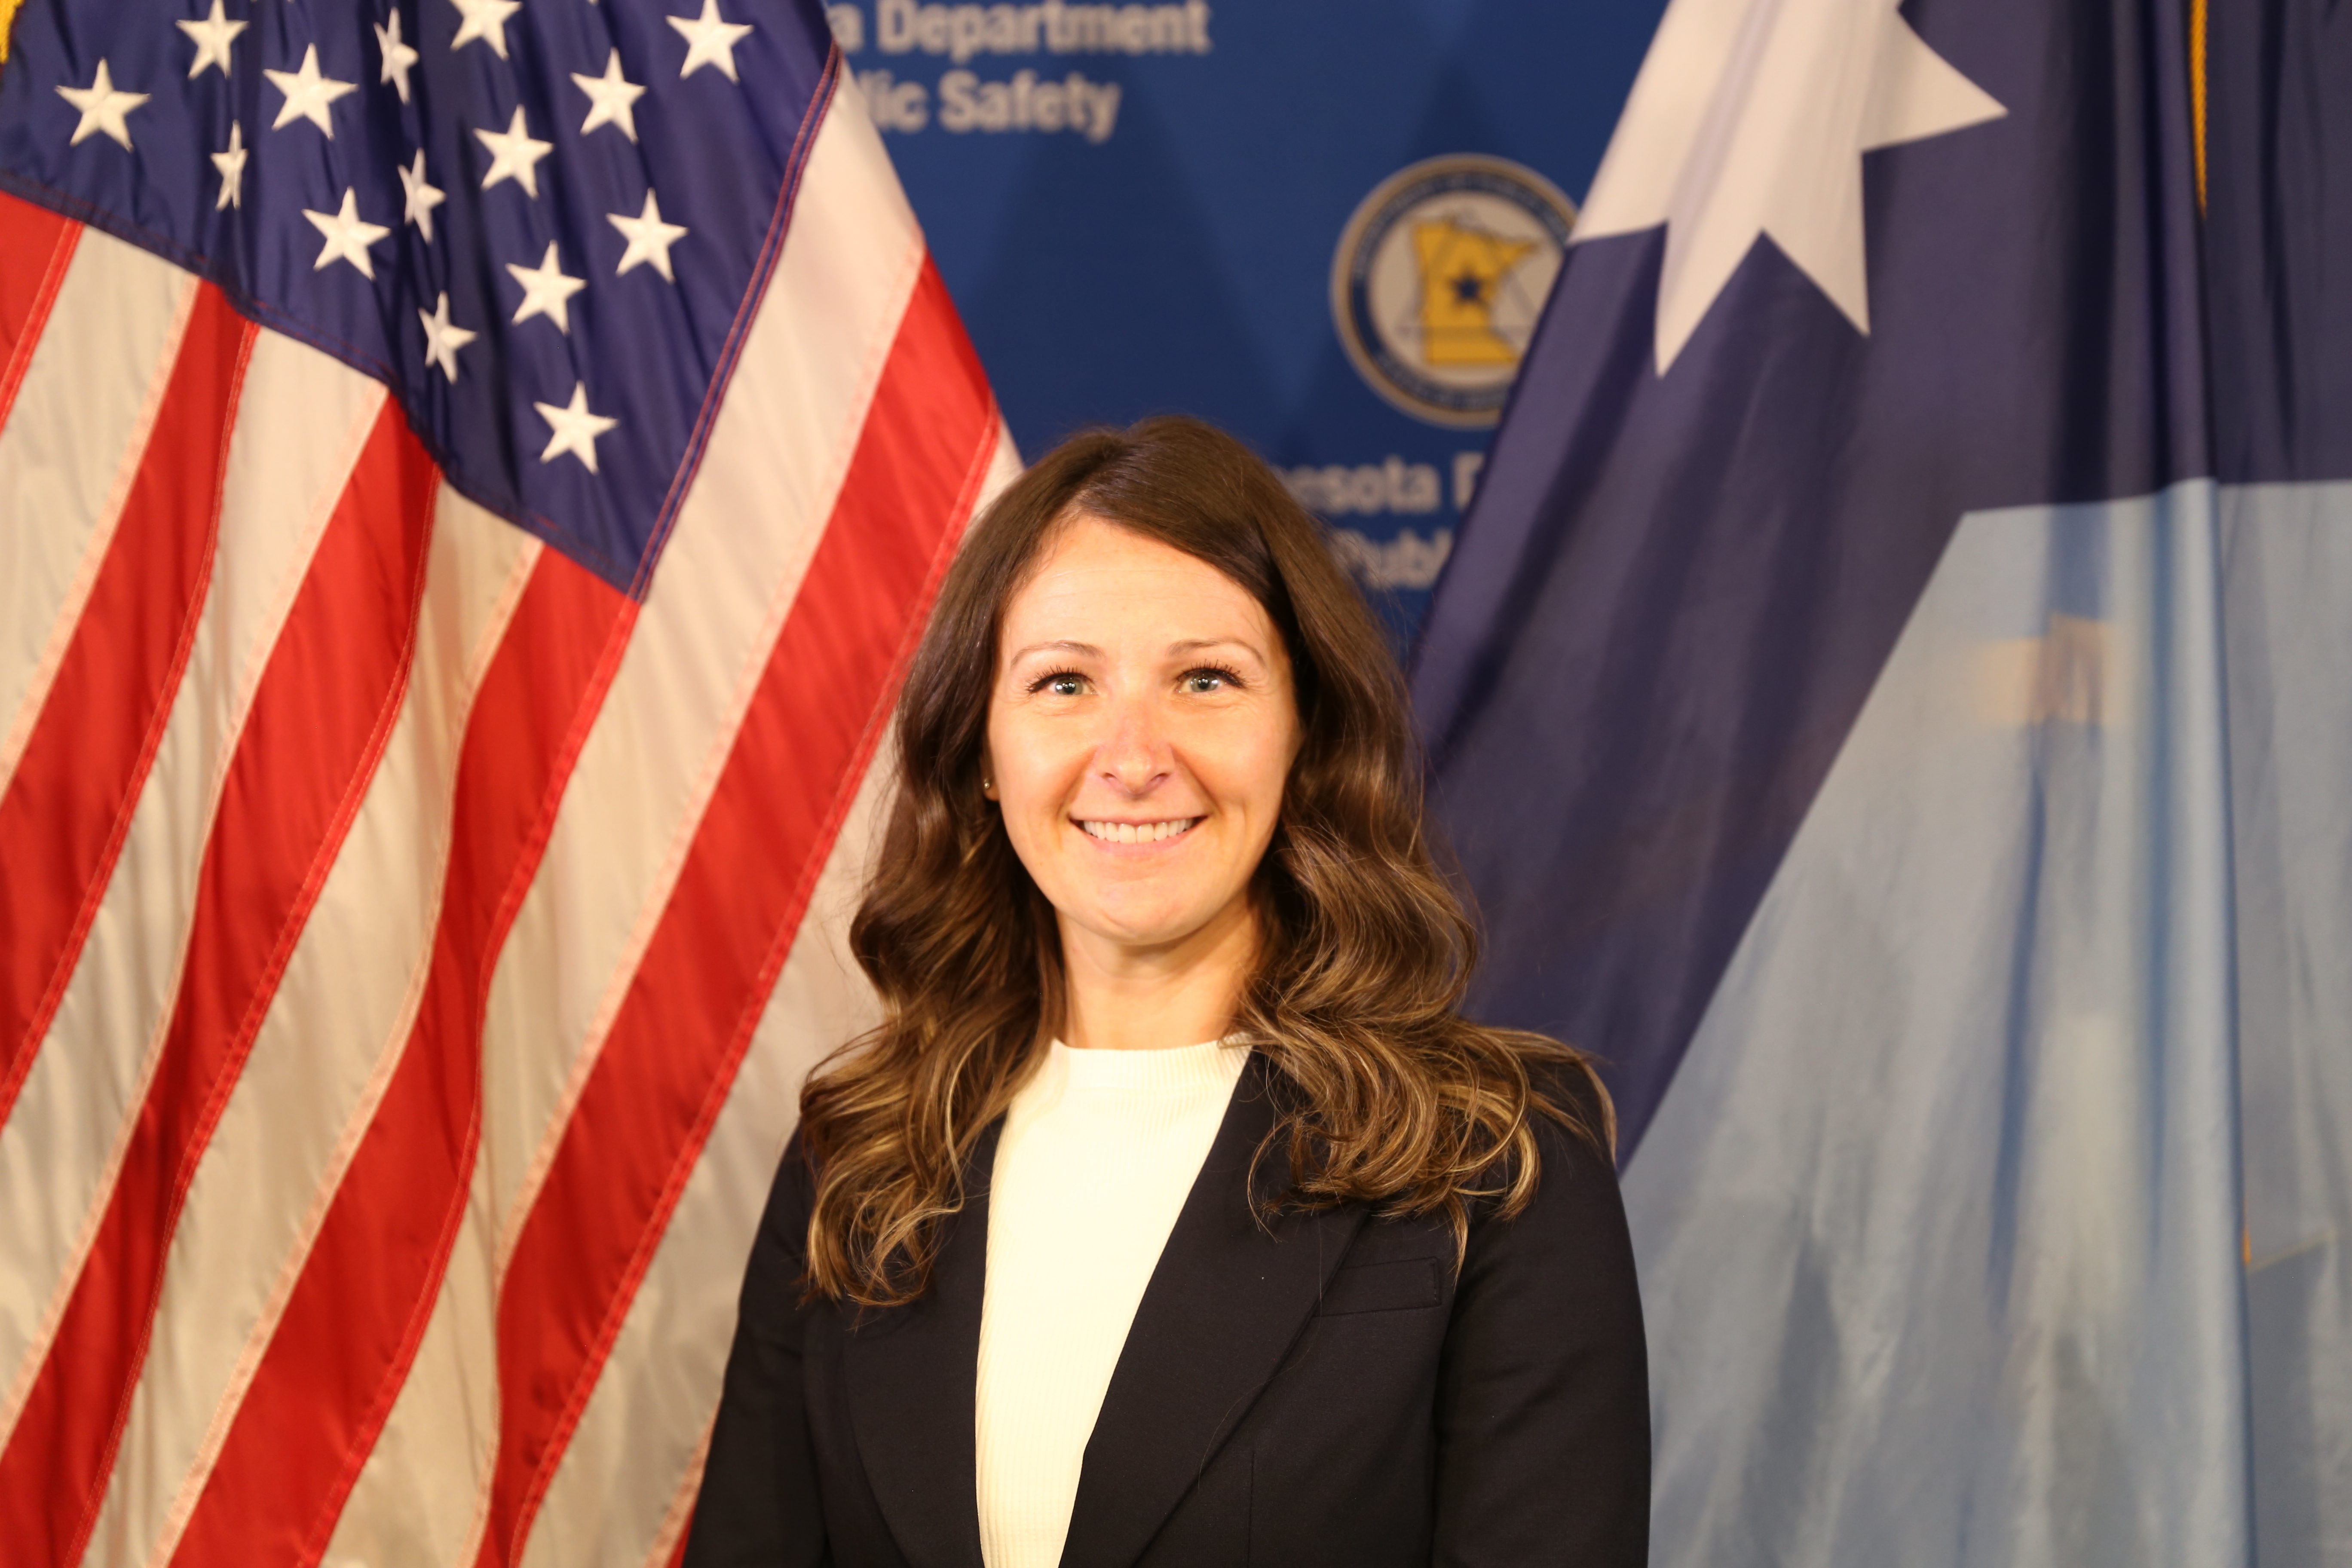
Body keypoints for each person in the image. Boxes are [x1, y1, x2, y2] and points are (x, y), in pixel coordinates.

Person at [685, 416, 1649, 1567]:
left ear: (1306, 732)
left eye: (1206, 678)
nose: (1135, 754)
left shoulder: (1496, 1155)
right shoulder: (862, 1158)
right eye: (1063, 683)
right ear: (981, 754)